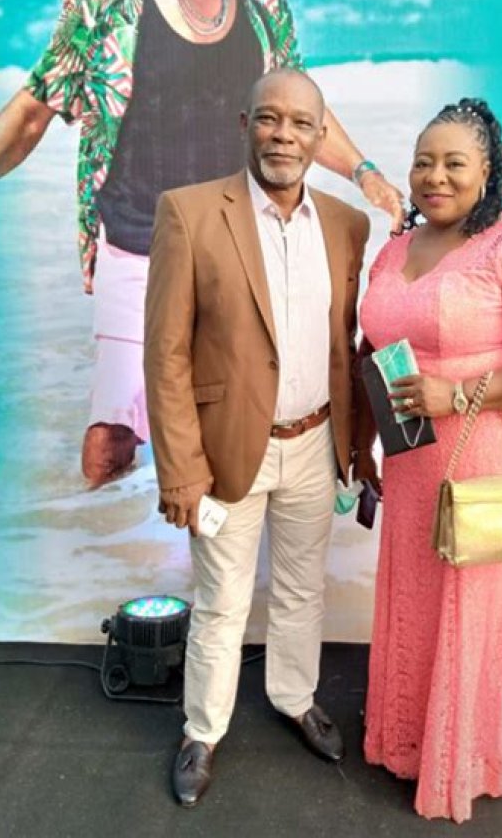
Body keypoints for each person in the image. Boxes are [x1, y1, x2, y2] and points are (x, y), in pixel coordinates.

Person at [0, 0, 402, 488]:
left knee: (236, 423)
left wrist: (363, 171)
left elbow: (298, 106)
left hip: (238, 248)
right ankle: (102, 527)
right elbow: (33, 110)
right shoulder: (107, 3)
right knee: (109, 439)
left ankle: (196, 534)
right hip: (137, 242)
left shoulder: (262, 2)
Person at [352, 98, 502, 823]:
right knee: (420, 593)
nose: (436, 176)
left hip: (489, 451)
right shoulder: (395, 247)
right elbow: (373, 345)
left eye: (455, 162)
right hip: (413, 453)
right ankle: (414, 739)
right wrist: (363, 436)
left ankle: (471, 752)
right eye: (424, 161)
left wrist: (456, 394)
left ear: (488, 171)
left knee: (473, 596)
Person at [144, 68, 370, 807]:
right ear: (245, 124)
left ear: (320, 136)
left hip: (315, 443)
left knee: (302, 589)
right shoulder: (188, 213)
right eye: (270, 119)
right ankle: (202, 731)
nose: (284, 136)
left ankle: (295, 698)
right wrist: (181, 471)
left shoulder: (347, 225)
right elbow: (166, 355)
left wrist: (359, 447)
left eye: (301, 124)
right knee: (221, 601)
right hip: (225, 451)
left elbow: (347, 345)